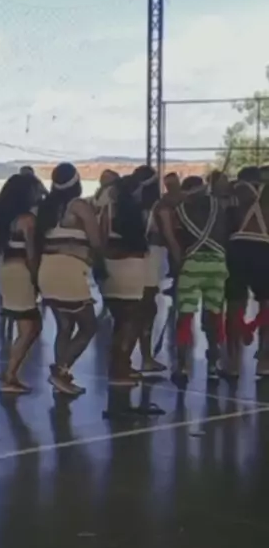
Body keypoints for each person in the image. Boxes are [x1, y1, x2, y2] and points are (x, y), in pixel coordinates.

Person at [36, 162, 106, 396]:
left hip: (47, 269)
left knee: (64, 326)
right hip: (70, 271)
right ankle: (60, 371)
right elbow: (96, 240)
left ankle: (62, 378)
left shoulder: (47, 208)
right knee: (88, 326)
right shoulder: (79, 206)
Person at [160, 175, 228, 382]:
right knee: (214, 314)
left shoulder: (180, 211)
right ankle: (213, 363)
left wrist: (178, 261)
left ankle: (181, 366)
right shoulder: (219, 207)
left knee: (185, 315)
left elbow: (173, 239)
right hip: (217, 263)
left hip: (191, 264)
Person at [0, 173, 42, 392]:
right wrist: (36, 277)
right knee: (29, 327)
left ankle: (10, 372)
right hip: (21, 272)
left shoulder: (3, 217)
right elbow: (31, 253)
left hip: (6, 269)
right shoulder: (28, 220)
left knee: (30, 325)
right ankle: (10, 375)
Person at [98, 174, 148, 384]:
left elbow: (100, 241)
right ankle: (120, 367)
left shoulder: (107, 211)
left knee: (119, 319)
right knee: (131, 320)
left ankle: (118, 365)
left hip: (111, 266)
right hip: (133, 267)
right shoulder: (138, 213)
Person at [225, 166, 269, 377]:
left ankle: (233, 361)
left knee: (235, 304)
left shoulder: (235, 192)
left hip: (236, 248)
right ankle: (264, 359)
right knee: (266, 304)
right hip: (263, 248)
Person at [133, 165, 167, 372]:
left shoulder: (128, 204)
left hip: (133, 258)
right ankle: (146, 356)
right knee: (147, 308)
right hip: (151, 257)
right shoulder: (157, 207)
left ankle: (132, 356)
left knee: (138, 307)